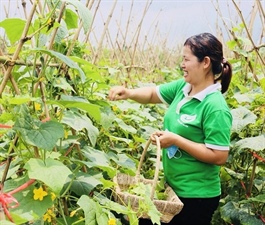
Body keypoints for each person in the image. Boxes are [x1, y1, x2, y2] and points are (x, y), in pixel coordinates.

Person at [108, 32, 233, 225]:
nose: (182, 64)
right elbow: (152, 94)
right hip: (172, 190)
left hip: (197, 197)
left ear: (205, 62)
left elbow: (219, 156)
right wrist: (129, 93)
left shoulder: (214, 105)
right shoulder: (184, 88)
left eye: (186, 59)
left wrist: (176, 140)